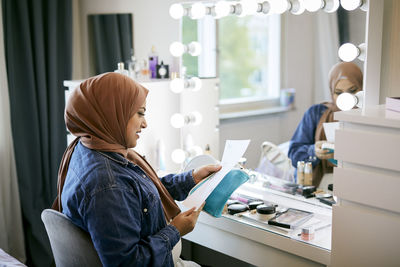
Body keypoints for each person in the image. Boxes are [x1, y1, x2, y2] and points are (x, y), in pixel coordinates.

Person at [52, 72, 221, 266]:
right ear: (111, 113)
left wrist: (191, 179)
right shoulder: (108, 185)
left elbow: (137, 194)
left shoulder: (87, 147)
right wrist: (175, 230)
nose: (145, 123)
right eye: (140, 113)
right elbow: (129, 263)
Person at [288, 62, 363, 187]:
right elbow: (294, 155)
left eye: (352, 91)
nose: (345, 98)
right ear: (331, 91)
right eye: (338, 93)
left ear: (362, 88)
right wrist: (314, 151)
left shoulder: (370, 117)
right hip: (320, 187)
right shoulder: (316, 113)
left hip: (357, 184)